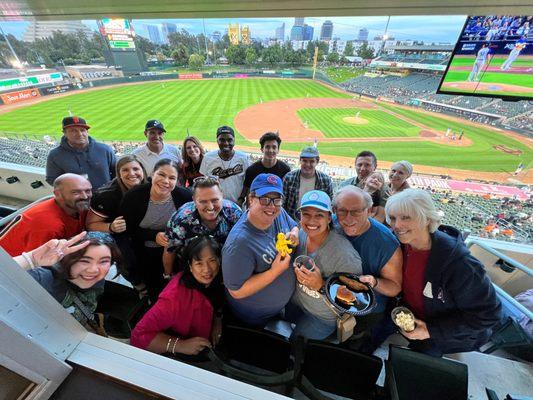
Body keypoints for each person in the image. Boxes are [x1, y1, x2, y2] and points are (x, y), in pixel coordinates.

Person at [385, 189, 502, 356]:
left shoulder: (461, 264)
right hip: (412, 317)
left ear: (426, 219)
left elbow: (489, 315)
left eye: (406, 218)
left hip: (446, 334)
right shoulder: (399, 243)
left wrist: (430, 331)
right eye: (393, 218)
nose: (396, 225)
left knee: (412, 364)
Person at [222, 173, 299, 327]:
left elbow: (294, 225)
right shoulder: (239, 244)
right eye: (264, 199)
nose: (271, 206)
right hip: (254, 315)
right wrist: (274, 271)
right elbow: (236, 291)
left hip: (280, 306)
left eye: (277, 200)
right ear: (251, 199)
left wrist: (294, 234)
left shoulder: (278, 212)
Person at [131, 236, 224, 357]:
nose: (207, 270)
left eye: (212, 261)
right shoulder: (173, 299)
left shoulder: (219, 278)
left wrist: (217, 321)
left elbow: (217, 300)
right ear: (190, 266)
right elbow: (138, 336)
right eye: (199, 263)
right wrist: (180, 345)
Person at [13, 231, 122, 333]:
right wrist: (31, 260)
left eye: (103, 261)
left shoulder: (97, 281)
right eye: (84, 260)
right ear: (68, 257)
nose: (93, 270)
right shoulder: (43, 278)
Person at [289, 190, 362, 340]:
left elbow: (356, 300)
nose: (311, 221)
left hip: (321, 317)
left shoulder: (345, 255)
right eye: (306, 214)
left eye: (319, 215)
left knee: (294, 345)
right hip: (297, 304)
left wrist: (321, 285)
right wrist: (295, 231)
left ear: (329, 218)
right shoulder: (302, 233)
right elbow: (299, 225)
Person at [333, 186, 402, 333]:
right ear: (334, 210)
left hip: (366, 311)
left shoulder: (387, 243)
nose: (348, 218)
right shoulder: (330, 224)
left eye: (357, 211)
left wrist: (374, 282)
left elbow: (394, 287)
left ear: (369, 210)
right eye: (342, 210)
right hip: (331, 299)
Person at [120, 159, 192, 301]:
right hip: (144, 252)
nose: (166, 181)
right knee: (155, 290)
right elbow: (126, 230)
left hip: (176, 252)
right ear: (152, 174)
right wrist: (153, 236)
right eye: (161, 175)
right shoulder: (133, 197)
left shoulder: (184, 196)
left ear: (177, 181)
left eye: (172, 178)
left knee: (178, 288)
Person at [163, 176, 242, 275]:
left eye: (214, 200)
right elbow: (170, 251)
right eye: (203, 202)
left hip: (227, 269)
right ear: (194, 200)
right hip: (192, 272)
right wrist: (168, 276)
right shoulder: (180, 220)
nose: (210, 207)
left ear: (222, 196)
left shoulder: (235, 213)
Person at [0, 174, 92, 257]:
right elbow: (36, 262)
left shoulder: (77, 206)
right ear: (57, 194)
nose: (85, 196)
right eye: (76, 192)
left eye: (88, 191)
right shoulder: (49, 224)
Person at [46, 116, 116, 190]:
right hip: (78, 199)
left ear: (87, 132)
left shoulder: (105, 149)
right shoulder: (55, 155)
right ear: (65, 133)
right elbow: (52, 179)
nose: (79, 134)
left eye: (82, 130)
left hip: (107, 196)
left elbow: (117, 172)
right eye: (73, 131)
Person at [86, 155, 148, 234]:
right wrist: (110, 227)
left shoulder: (151, 188)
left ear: (143, 170)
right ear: (119, 174)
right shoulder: (105, 196)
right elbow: (90, 225)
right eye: (125, 170)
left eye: (136, 169)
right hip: (117, 237)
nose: (132, 173)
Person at [200, 126, 250, 204]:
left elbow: (248, 182)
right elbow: (203, 182)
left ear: (234, 140)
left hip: (238, 204)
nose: (226, 143)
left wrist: (241, 199)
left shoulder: (243, 158)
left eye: (229, 140)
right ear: (217, 141)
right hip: (215, 204)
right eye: (222, 140)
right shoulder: (207, 157)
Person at [282, 146, 333, 220]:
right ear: (300, 160)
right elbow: (282, 202)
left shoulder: (325, 180)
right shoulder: (289, 177)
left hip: (315, 222)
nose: (308, 164)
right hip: (291, 221)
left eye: (312, 161)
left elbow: (329, 205)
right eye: (305, 161)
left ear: (317, 161)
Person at [240, 132, 291, 203]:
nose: (270, 150)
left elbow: (286, 194)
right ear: (262, 149)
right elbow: (248, 192)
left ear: (278, 150)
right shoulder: (252, 170)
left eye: (274, 147)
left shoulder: (285, 170)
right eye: (267, 147)